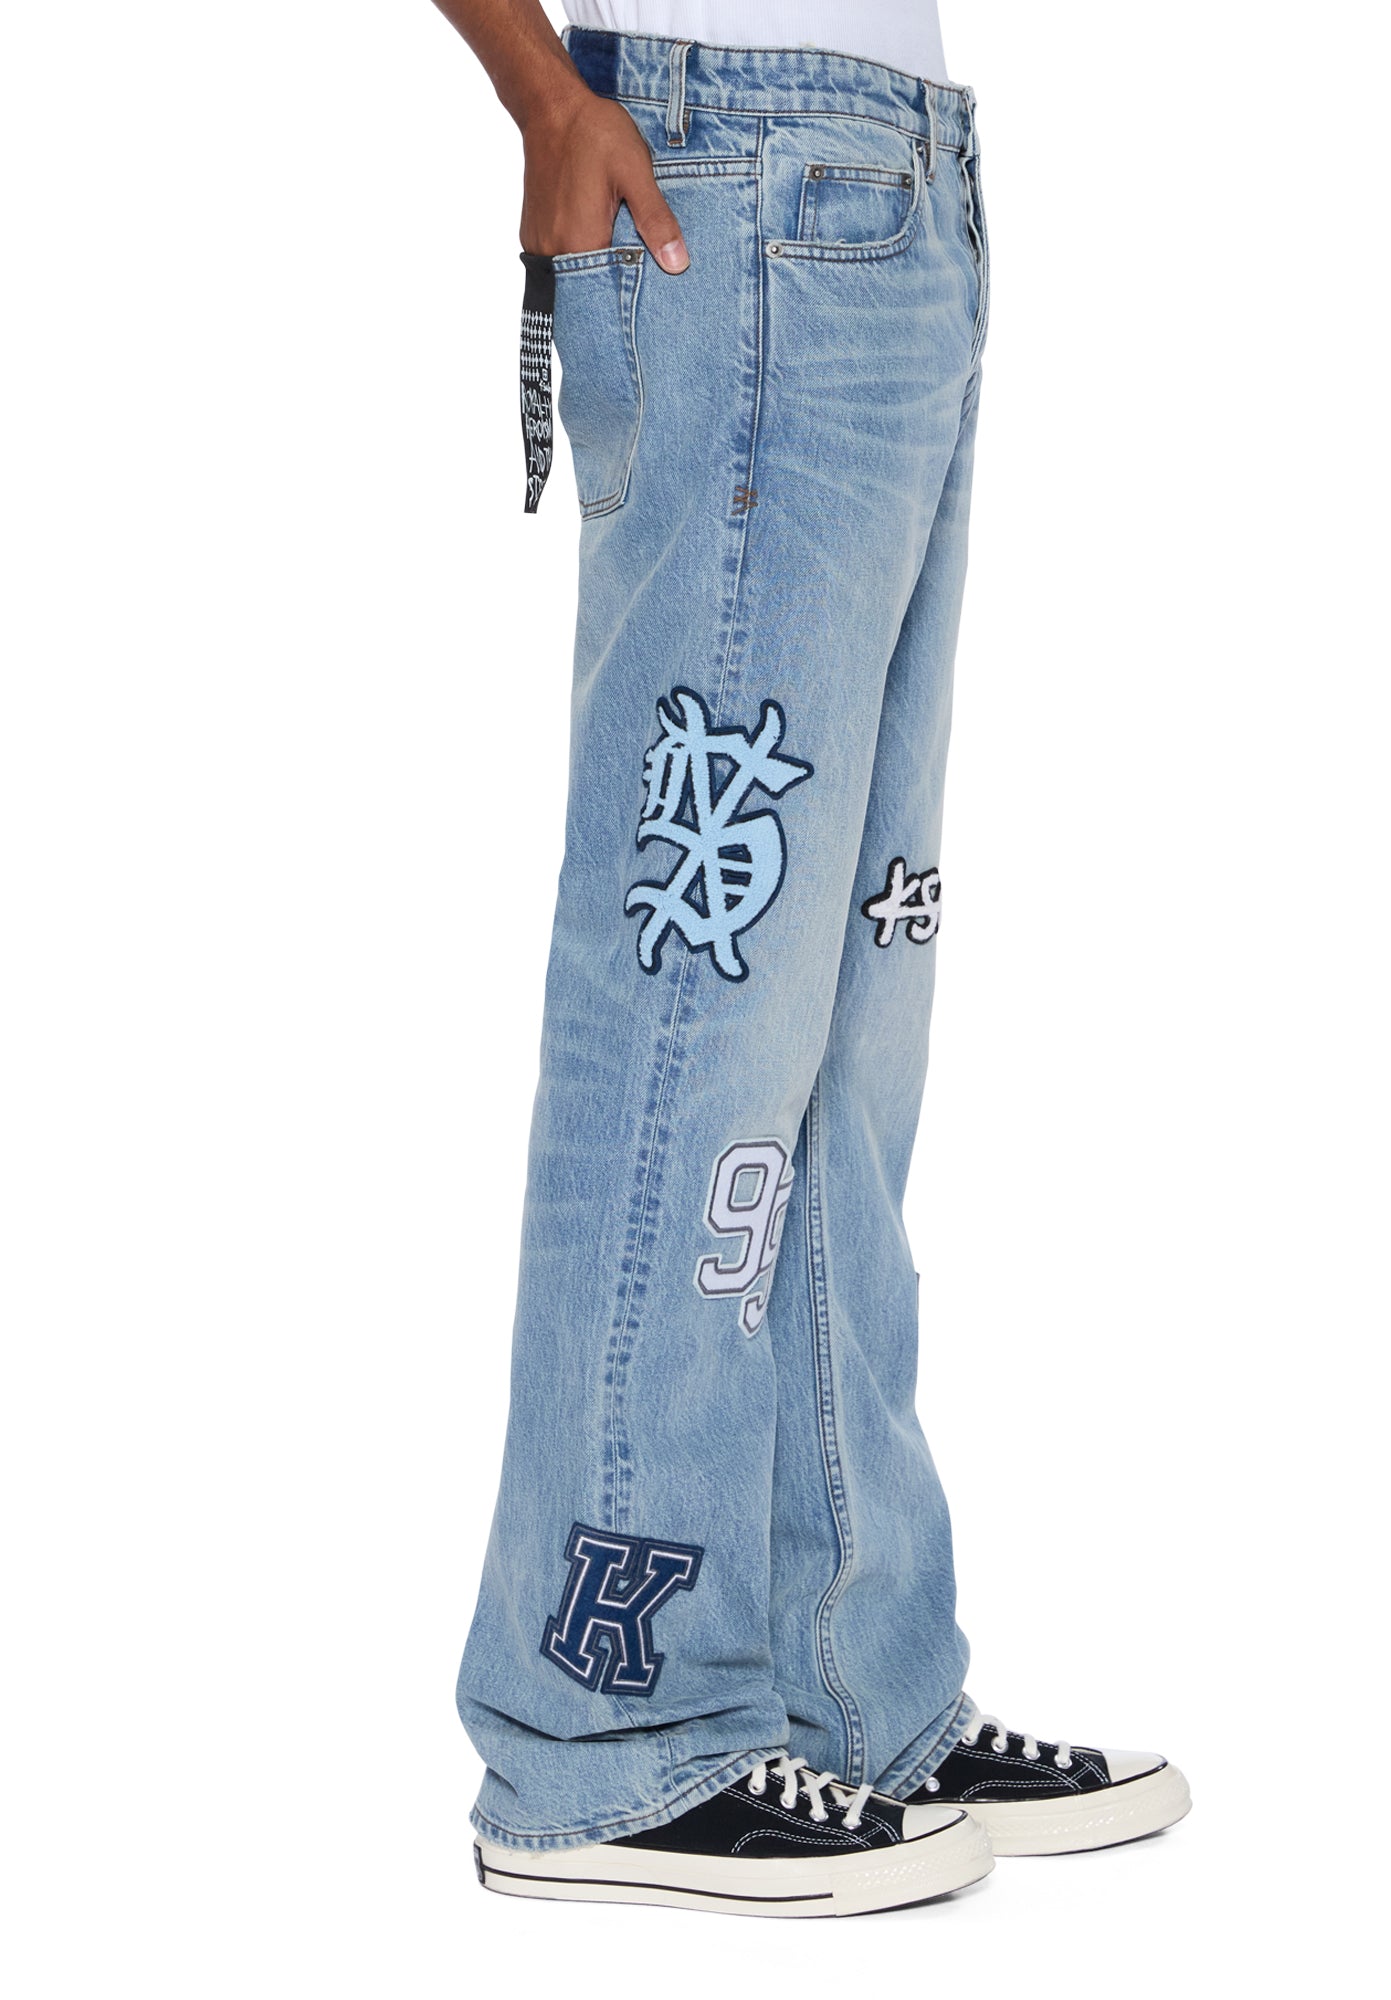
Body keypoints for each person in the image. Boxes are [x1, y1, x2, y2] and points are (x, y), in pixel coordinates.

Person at [431, 0, 1189, 1916]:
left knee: (844, 1021)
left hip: (896, 186)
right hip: (729, 186)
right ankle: (603, 1727)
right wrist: (538, 89)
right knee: (690, 999)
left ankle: (850, 1684)